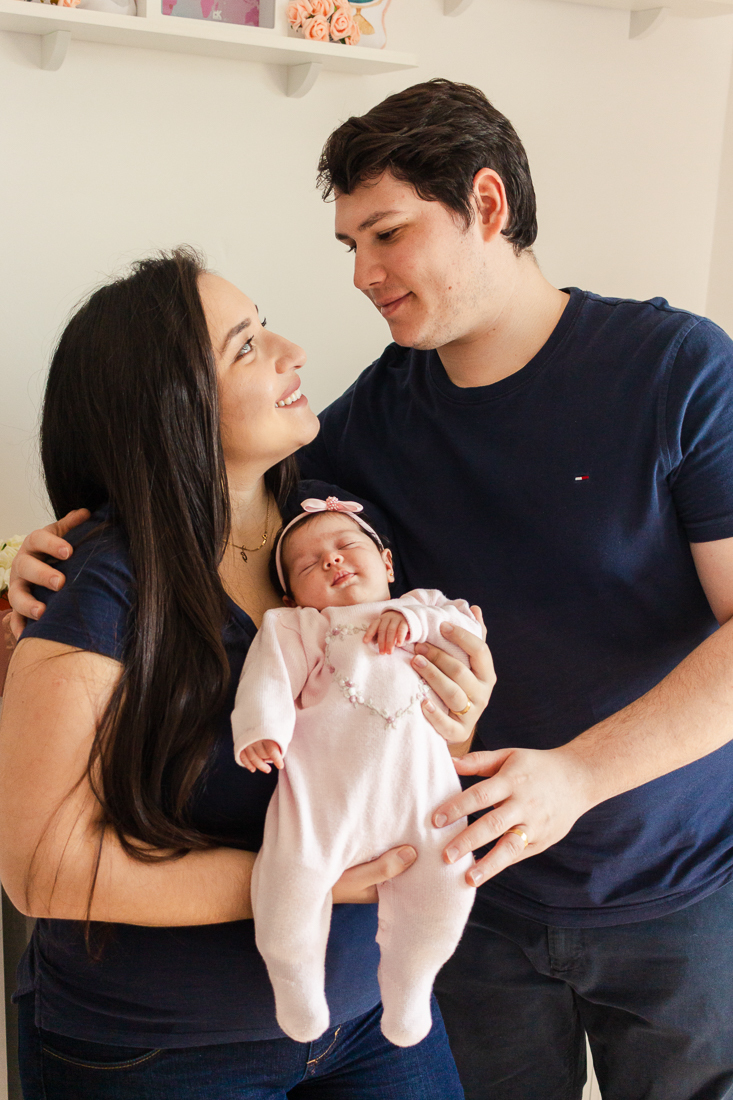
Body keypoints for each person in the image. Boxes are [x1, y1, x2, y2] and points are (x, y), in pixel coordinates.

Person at [12, 77, 733, 1100]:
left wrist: (574, 775)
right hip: (459, 898)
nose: (360, 275)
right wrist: (49, 549)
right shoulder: (358, 432)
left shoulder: (678, 370)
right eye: (348, 244)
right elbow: (194, 502)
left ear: (486, 206)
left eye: (386, 234)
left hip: (675, 887)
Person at [0, 247, 495, 1100]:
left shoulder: (337, 528)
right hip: (156, 1051)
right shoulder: (100, 576)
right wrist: (301, 882)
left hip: (372, 1021)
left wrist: (449, 717)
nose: (291, 351)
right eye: (245, 345)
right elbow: (43, 869)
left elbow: (380, 734)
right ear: (170, 408)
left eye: (263, 326)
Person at [232, 495, 481, 1049]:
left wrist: (413, 617)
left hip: (420, 799)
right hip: (322, 801)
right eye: (308, 564)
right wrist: (260, 731)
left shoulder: (424, 608)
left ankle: (411, 982)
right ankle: (294, 981)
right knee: (285, 889)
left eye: (347, 546)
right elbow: (267, 676)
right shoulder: (298, 627)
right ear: (293, 594)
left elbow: (466, 629)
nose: (332, 561)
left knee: (449, 890)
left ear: (387, 564)